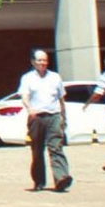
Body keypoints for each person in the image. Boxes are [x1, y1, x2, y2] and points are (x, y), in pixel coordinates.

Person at [18, 49, 73, 192]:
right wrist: (30, 109)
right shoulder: (27, 78)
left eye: (45, 60)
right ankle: (39, 181)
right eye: (39, 60)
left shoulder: (55, 77)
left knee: (56, 147)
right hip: (37, 117)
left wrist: (63, 116)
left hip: (54, 116)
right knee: (37, 150)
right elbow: (24, 97)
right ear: (33, 62)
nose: (43, 63)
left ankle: (61, 178)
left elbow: (61, 98)